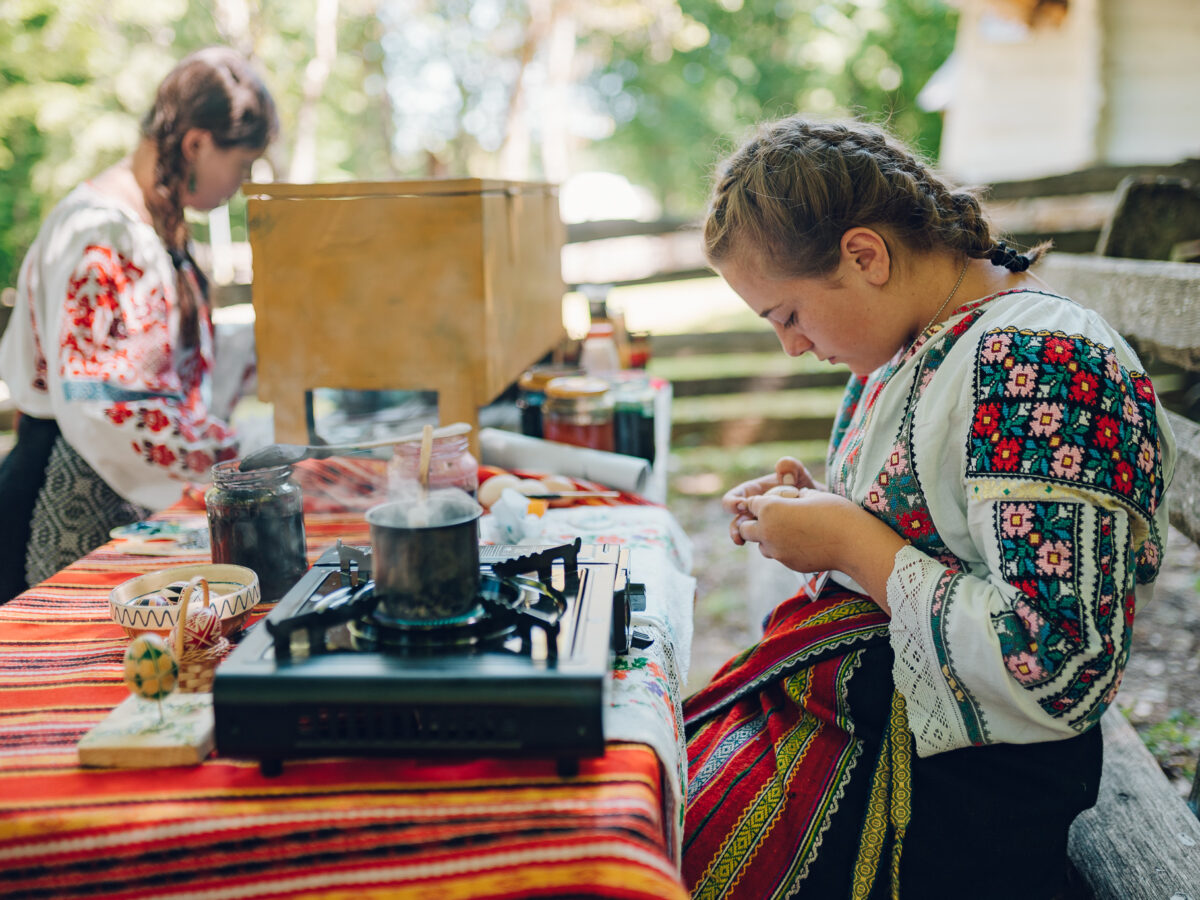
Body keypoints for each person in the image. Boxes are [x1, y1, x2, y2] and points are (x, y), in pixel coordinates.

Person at [682, 116, 1175, 899]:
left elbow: (1059, 664)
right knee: (651, 797)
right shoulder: (919, 342)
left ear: (865, 255)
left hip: (970, 785)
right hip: (888, 720)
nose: (793, 347)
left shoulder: (1037, 365)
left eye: (788, 315)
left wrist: (848, 544)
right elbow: (936, 524)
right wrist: (816, 511)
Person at [0, 47, 278, 602]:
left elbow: (177, 367)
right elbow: (112, 410)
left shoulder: (153, 228)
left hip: (114, 494)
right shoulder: (102, 235)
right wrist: (241, 452)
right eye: (241, 165)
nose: (241, 185)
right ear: (197, 143)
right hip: (66, 505)